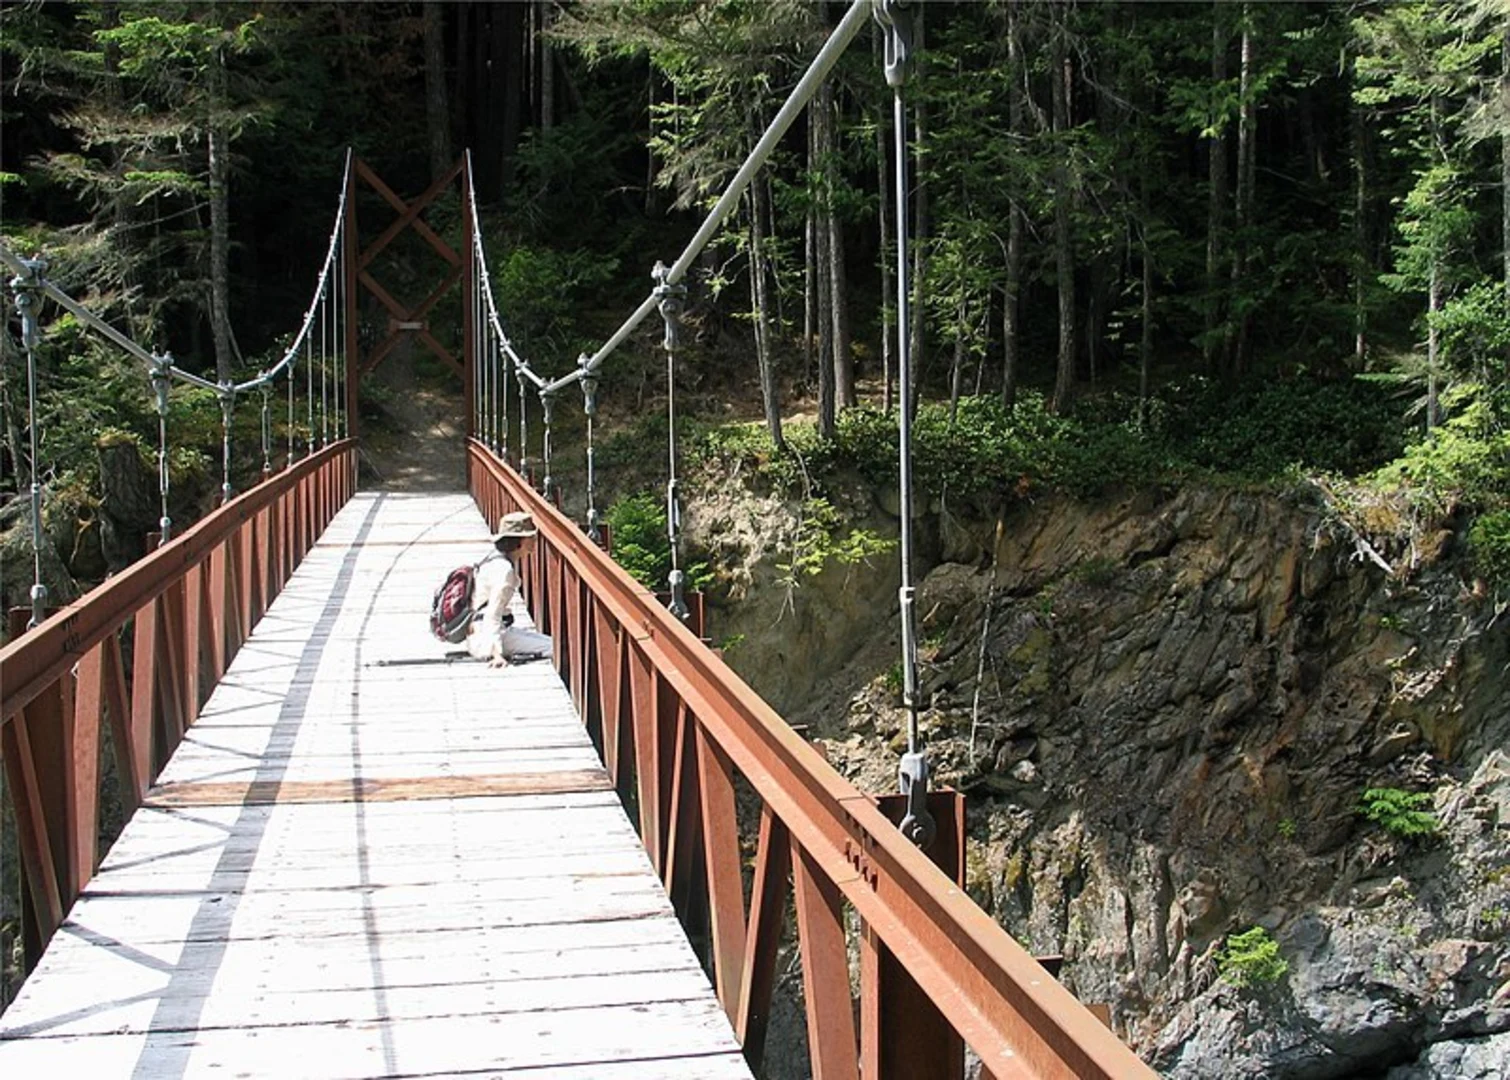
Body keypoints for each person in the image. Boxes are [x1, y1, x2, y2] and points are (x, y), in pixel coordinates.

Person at [465, 511, 553, 667]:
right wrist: (496, 654)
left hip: (477, 632)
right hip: (486, 637)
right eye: (530, 537)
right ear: (519, 540)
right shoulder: (504, 571)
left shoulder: (493, 558)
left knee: (552, 643)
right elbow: (493, 613)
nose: (534, 540)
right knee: (554, 648)